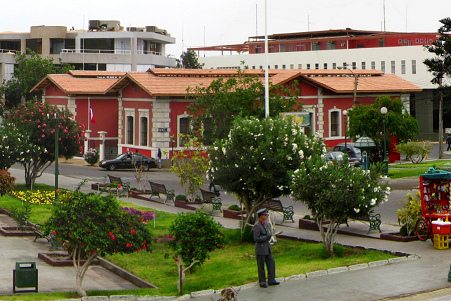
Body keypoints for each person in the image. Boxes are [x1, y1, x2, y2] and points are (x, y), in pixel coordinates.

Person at [253, 208, 279, 288]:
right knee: (261, 266)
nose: (267, 216)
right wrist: (266, 237)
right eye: (265, 215)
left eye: (267, 215)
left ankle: (271, 280)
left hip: (267, 248)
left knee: (271, 263)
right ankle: (262, 281)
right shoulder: (257, 226)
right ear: (261, 216)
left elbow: (269, 233)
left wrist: (270, 234)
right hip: (260, 249)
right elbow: (256, 239)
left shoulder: (266, 223)